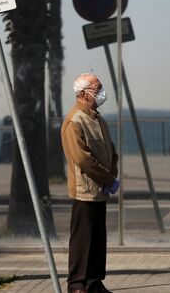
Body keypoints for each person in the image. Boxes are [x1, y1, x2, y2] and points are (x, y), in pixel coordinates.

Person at [61, 73, 119, 293]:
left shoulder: (98, 120)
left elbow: (111, 151)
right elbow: (83, 158)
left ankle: (94, 282)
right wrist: (109, 179)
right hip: (84, 190)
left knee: (97, 238)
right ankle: (77, 284)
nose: (102, 92)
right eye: (97, 88)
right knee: (82, 238)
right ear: (83, 93)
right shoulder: (74, 121)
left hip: (100, 190)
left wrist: (111, 173)